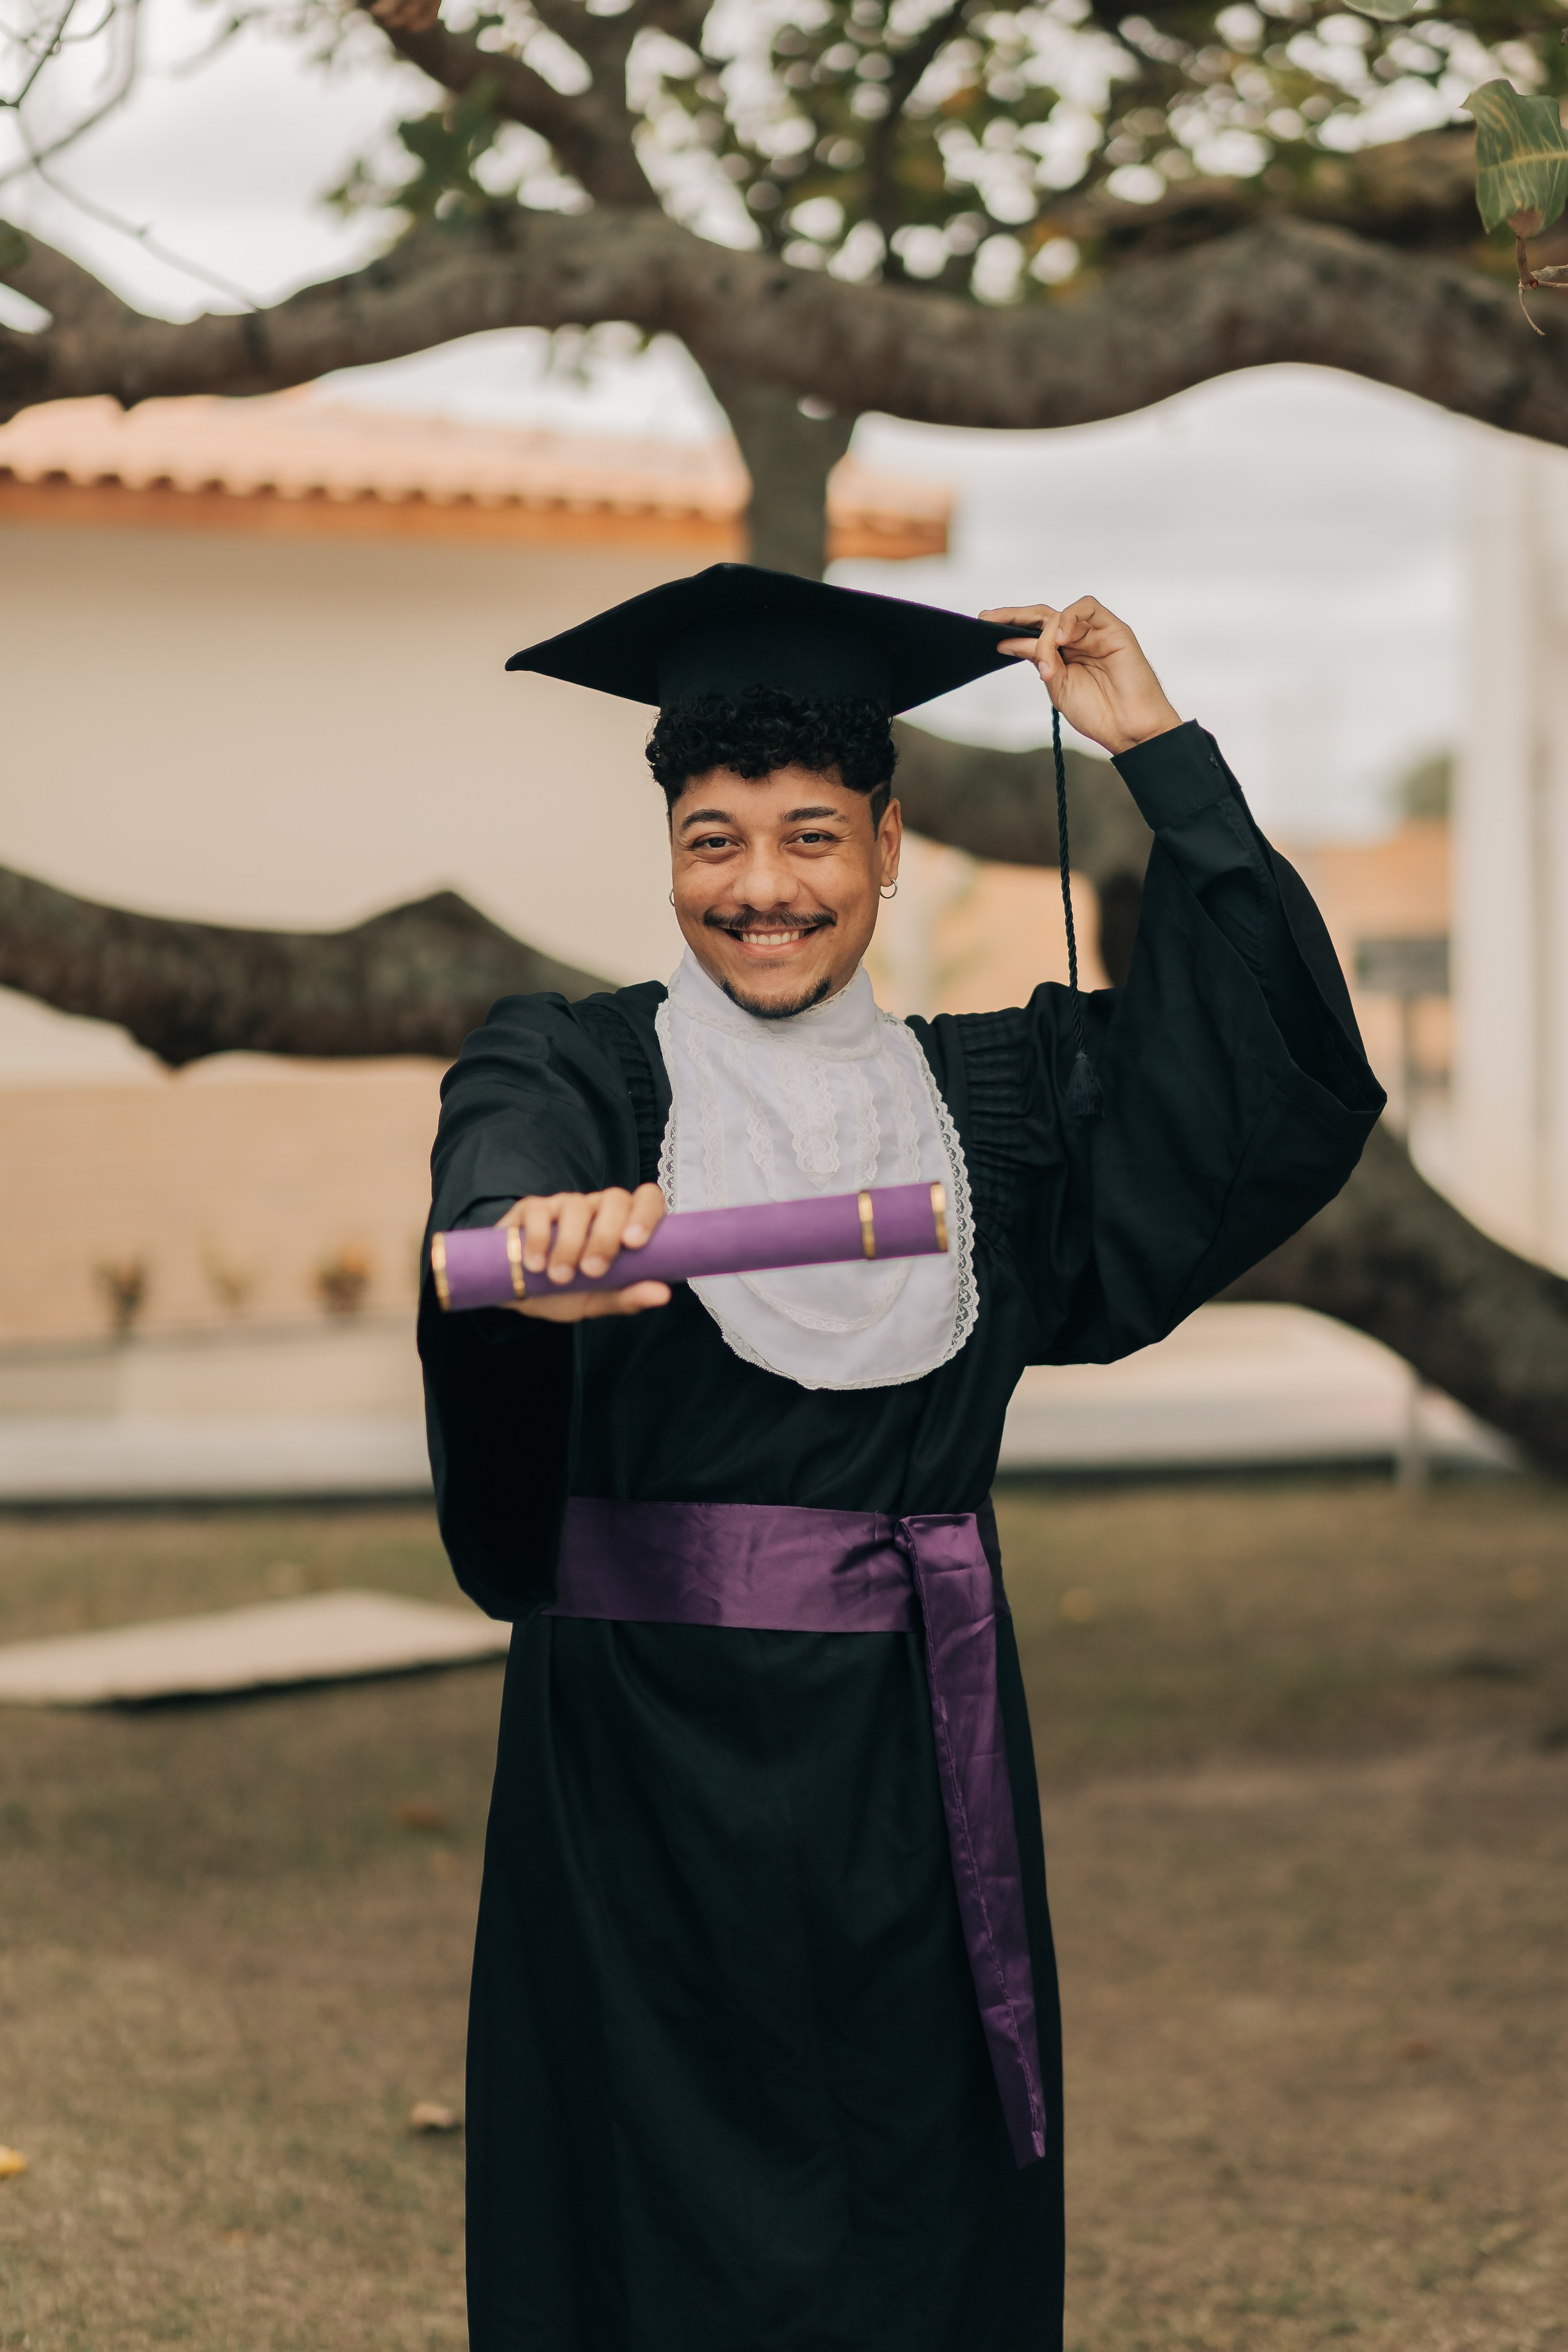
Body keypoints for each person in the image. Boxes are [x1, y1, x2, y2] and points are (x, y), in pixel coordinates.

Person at [419, 564, 1384, 2352]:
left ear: (883, 840)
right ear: (670, 854)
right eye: (714, 842)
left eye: (807, 837)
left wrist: (1159, 759)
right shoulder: (584, 1068)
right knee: (660, 2199)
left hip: (918, 1761)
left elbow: (1264, 1082)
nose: (762, 889)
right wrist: (532, 1242)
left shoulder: (1001, 1109)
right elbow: (501, 1157)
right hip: (641, 1759)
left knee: (916, 2180)